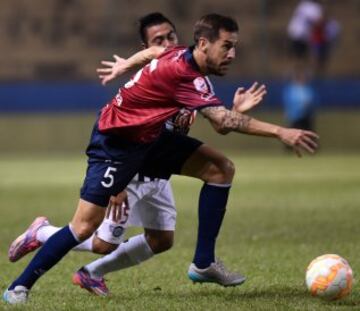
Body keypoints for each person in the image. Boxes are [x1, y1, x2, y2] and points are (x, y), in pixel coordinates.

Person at [4, 13, 318, 304]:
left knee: (220, 170)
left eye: (235, 47)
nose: (232, 54)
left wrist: (125, 65)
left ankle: (204, 262)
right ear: (204, 44)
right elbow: (223, 121)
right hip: (116, 144)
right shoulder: (183, 74)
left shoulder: (180, 55)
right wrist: (281, 132)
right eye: (227, 46)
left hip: (150, 140)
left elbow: (154, 55)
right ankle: (19, 286)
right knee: (86, 229)